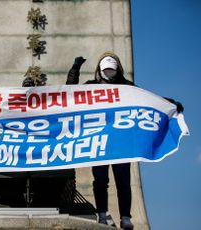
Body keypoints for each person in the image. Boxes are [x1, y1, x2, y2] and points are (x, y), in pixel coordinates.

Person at [66, 52, 183, 230]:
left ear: (118, 69)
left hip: (122, 141)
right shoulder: (91, 87)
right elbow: (70, 93)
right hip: (100, 141)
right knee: (100, 179)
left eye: (112, 70)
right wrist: (75, 69)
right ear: (99, 70)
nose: (109, 73)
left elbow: (147, 99)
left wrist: (170, 103)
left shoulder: (127, 88)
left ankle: (126, 218)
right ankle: (102, 215)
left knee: (123, 180)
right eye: (106, 70)